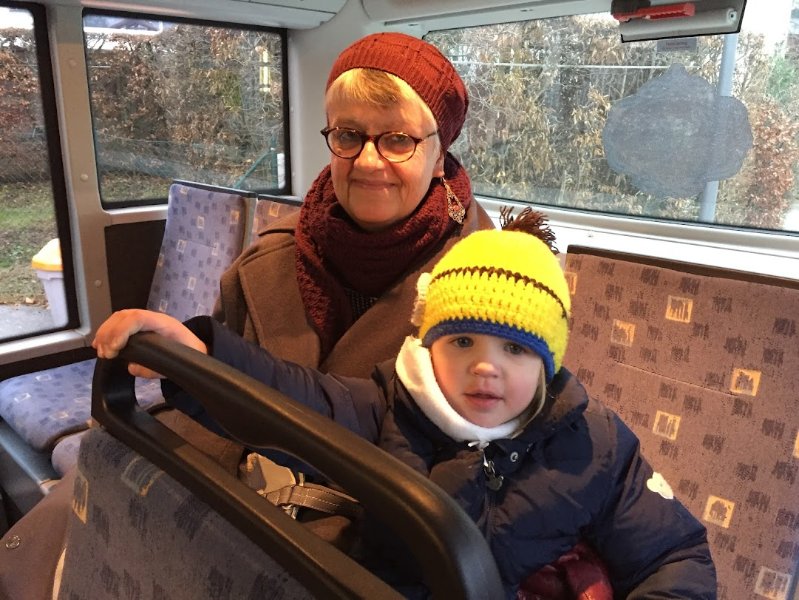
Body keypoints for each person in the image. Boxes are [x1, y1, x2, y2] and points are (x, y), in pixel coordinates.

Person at [0, 31, 494, 600]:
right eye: (348, 135)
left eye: (398, 139)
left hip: (364, 540)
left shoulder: (487, 288)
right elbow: (218, 394)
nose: (368, 161)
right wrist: (194, 356)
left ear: (440, 152)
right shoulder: (269, 260)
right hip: (235, 493)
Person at [92, 211, 717, 599]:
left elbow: (674, 555)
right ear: (427, 342)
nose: (486, 367)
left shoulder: (595, 445)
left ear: (548, 363)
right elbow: (289, 396)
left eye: (515, 349)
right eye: (462, 341)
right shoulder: (389, 406)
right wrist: (202, 353)